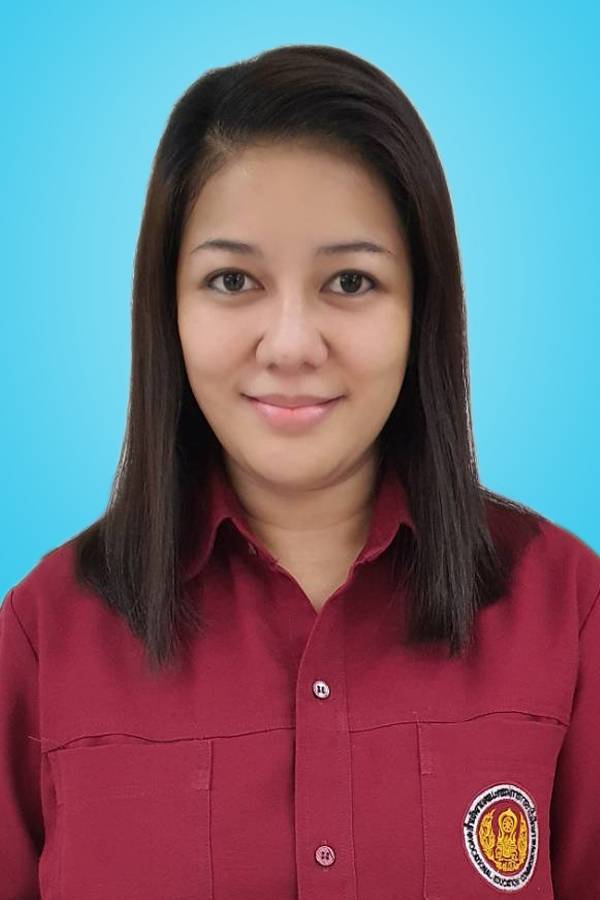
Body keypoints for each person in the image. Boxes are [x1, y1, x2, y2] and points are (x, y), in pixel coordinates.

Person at [1, 43, 598, 900]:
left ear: (421, 307)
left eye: (350, 280)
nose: (289, 345)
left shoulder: (569, 610)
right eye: (232, 279)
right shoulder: (42, 636)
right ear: (167, 309)